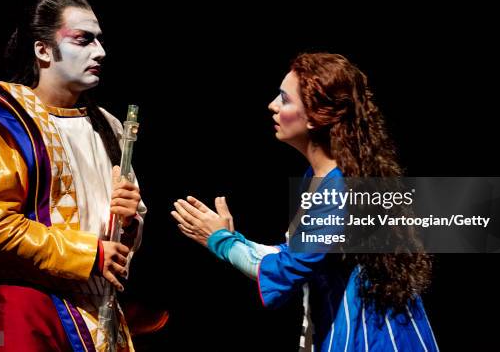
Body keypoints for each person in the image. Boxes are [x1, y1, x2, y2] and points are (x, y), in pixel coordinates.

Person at [171, 53, 439, 351]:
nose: (272, 105)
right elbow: (299, 252)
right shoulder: (317, 176)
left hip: (367, 336)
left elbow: (288, 269)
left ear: (315, 116)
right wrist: (235, 240)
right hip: (339, 323)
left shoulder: (340, 190)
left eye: (284, 99)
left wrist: (220, 241)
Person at [0, 0, 145, 351]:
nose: (101, 51)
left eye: (100, 40)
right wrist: (90, 255)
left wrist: (129, 221)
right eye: (84, 40)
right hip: (25, 312)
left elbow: (120, 238)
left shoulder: (110, 127)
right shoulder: (4, 120)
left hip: (97, 315)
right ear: (43, 50)